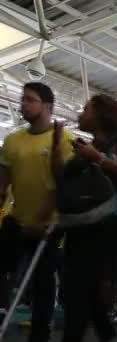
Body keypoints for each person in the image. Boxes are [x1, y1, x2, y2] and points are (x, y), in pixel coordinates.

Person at [59, 94, 117, 342]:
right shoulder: (88, 146)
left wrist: (98, 158)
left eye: (86, 109)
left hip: (110, 220)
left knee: (82, 284)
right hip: (82, 220)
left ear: (102, 113)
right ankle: (106, 334)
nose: (80, 114)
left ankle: (78, 335)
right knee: (83, 285)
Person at [0, 83, 73, 342]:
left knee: (43, 283)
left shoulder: (63, 139)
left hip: (47, 225)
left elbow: (62, 184)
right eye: (23, 99)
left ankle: (41, 332)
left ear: (48, 106)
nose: (23, 104)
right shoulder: (12, 141)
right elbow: (3, 182)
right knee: (3, 271)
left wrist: (42, 220)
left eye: (30, 100)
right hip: (17, 219)